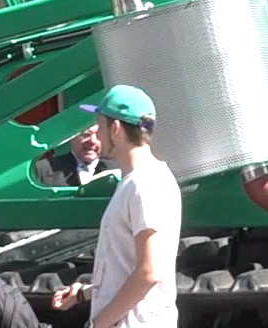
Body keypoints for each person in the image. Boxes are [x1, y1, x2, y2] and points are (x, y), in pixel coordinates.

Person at [49, 85, 180, 328]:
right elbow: (127, 265)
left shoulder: (145, 184)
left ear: (116, 128)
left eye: (100, 124)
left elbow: (149, 271)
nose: (97, 134)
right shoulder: (139, 180)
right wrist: (85, 293)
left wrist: (99, 323)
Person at [34, 122, 116, 187]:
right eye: (86, 135)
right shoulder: (44, 168)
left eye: (99, 136)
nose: (93, 141)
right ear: (72, 137)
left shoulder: (118, 169)